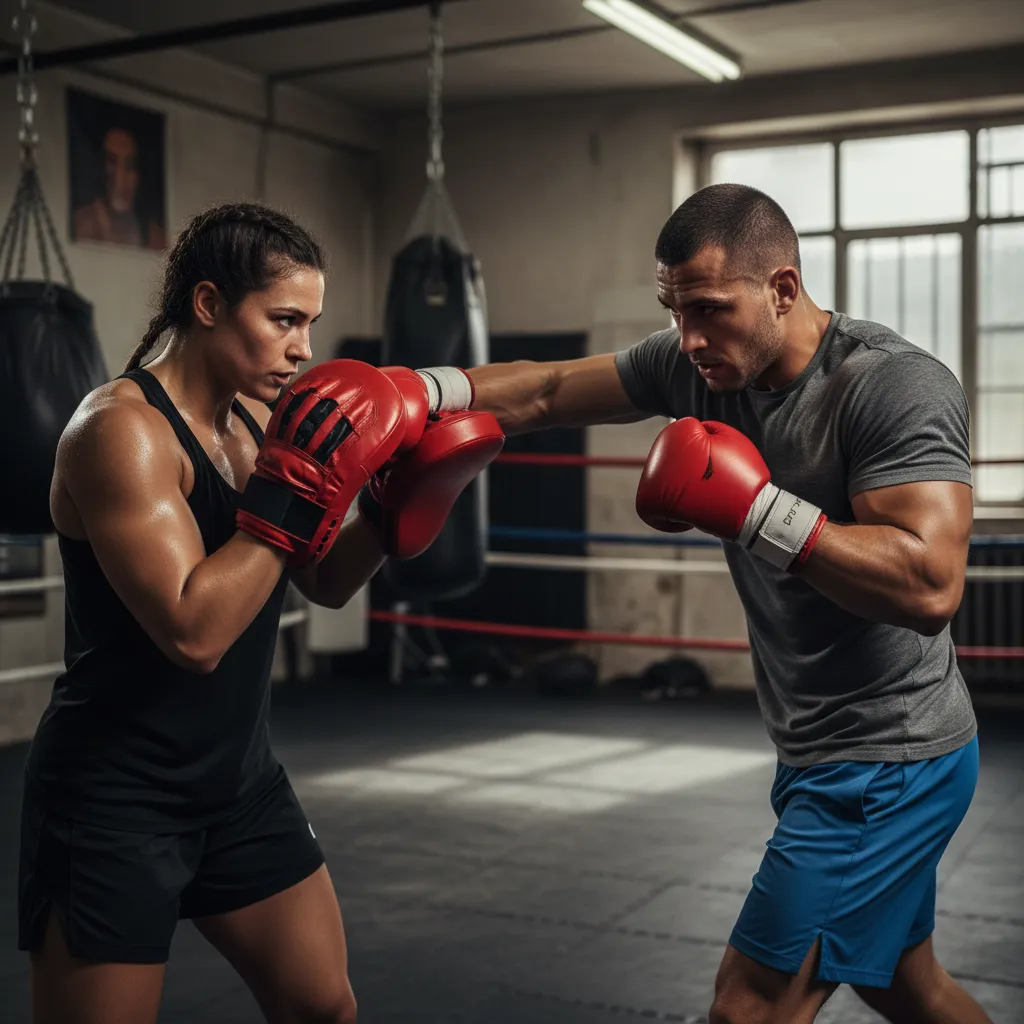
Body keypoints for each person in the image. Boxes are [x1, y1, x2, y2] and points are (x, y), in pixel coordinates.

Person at [421, 183, 991, 1024]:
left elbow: (930, 584)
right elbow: (544, 390)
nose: (689, 339)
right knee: (905, 986)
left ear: (783, 290)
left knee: (747, 1008)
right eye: (675, 310)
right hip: (818, 747)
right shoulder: (699, 362)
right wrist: (422, 393)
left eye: (712, 311)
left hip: (885, 760)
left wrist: (758, 511)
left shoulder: (889, 386)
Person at [18, 200, 502, 1024]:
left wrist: (390, 514)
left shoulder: (252, 423)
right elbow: (195, 631)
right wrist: (294, 493)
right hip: (115, 801)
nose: (303, 348)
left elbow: (321, 582)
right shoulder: (120, 432)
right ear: (208, 305)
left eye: (310, 323)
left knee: (325, 1009)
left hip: (238, 784)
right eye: (283, 319)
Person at [73, 124, 167, 251]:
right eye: (112, 163)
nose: (120, 177)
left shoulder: (156, 237)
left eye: (129, 165)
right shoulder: (81, 224)